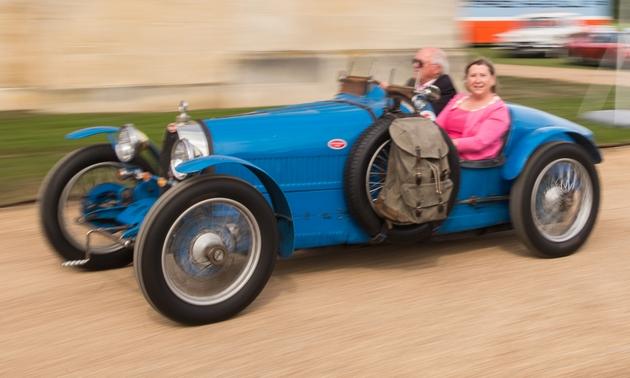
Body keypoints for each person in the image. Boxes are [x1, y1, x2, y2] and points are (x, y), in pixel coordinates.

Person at [435, 58, 510, 161]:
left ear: (492, 80)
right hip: (441, 153)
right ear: (467, 80)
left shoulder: (498, 109)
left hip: (468, 161)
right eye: (473, 76)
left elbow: (479, 142)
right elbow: (438, 125)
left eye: (483, 75)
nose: (477, 80)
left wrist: (444, 144)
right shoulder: (458, 99)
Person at [405, 48, 457, 115]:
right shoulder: (411, 83)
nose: (415, 66)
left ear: (436, 69)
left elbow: (429, 115)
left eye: (420, 63)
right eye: (414, 61)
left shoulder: (445, 88)